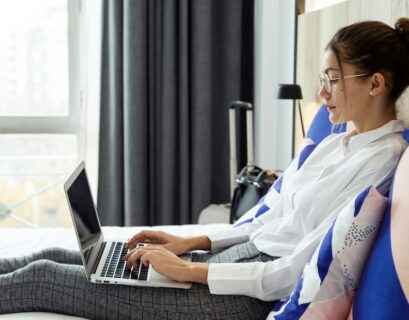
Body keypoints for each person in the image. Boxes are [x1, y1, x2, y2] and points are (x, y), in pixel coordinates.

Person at [1, 18, 409, 320]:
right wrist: (186, 242)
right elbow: (269, 221)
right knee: (57, 254)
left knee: (42, 276)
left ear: (375, 84)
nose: (321, 93)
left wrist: (189, 269)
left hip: (249, 293)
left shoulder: (383, 164)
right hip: (241, 259)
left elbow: (291, 271)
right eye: (322, 78)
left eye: (333, 80)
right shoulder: (335, 143)